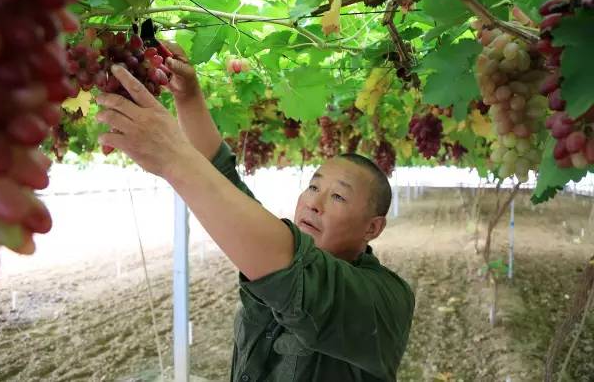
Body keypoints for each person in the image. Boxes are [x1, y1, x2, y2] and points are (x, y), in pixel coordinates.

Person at [96, 43, 415, 382]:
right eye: (313, 187)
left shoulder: (386, 300)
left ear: (373, 228)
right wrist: (188, 98)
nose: (313, 202)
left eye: (337, 197)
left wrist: (174, 158)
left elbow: (294, 271)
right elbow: (225, 184)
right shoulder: (271, 242)